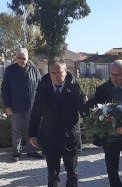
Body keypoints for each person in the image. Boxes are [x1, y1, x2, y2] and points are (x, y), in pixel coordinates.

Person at [29, 59, 87, 187]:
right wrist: (32, 134)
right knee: (52, 175)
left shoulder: (75, 88)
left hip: (70, 138)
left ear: (66, 71)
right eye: (52, 73)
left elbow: (85, 111)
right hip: (50, 137)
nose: (55, 75)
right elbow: (36, 113)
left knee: (72, 173)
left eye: (59, 72)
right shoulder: (43, 87)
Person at [86, 60, 122, 187]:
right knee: (112, 171)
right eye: (112, 74)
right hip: (110, 137)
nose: (114, 78)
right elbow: (96, 108)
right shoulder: (102, 89)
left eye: (118, 75)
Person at [1, 48, 42, 162]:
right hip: (15, 107)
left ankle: (32, 151)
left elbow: (40, 88)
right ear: (16, 58)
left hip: (32, 106)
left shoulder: (34, 70)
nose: (21, 60)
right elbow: (5, 90)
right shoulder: (10, 70)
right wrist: (7, 106)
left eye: (23, 58)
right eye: (19, 58)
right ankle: (16, 153)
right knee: (16, 131)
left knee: (32, 129)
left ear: (27, 58)